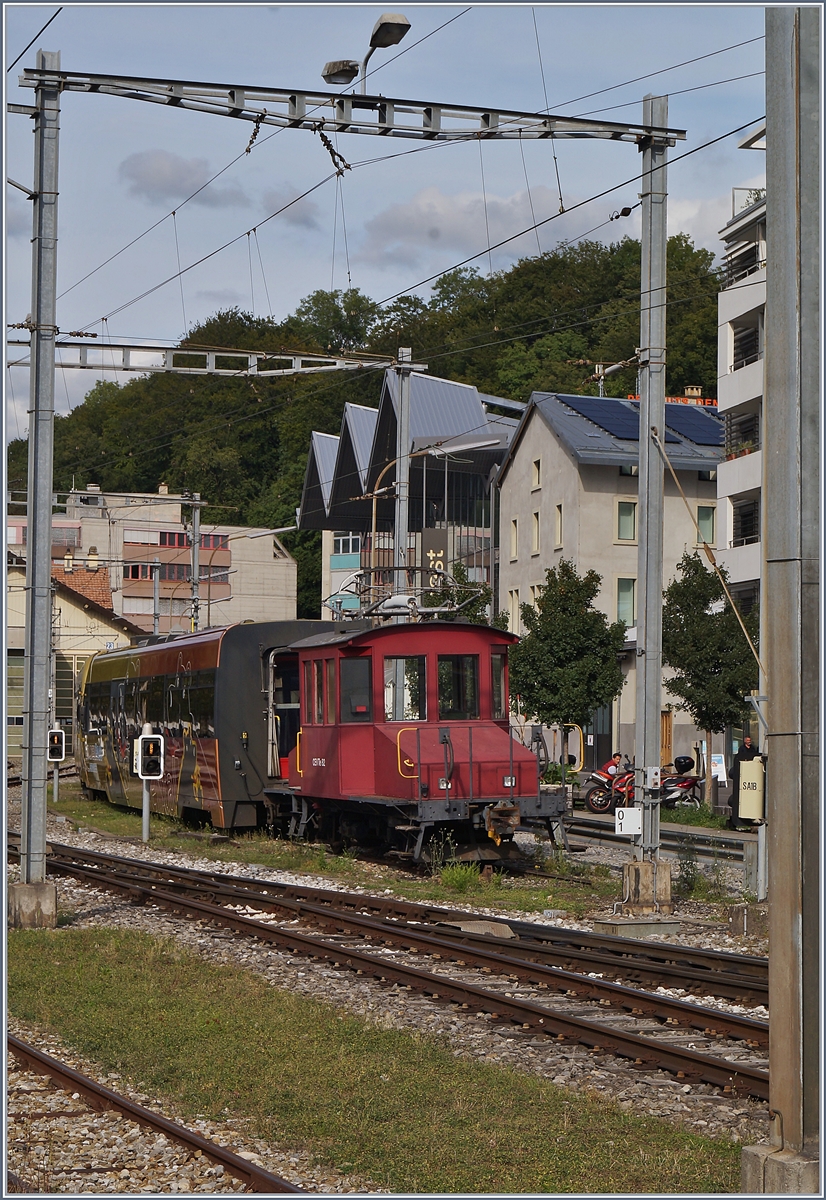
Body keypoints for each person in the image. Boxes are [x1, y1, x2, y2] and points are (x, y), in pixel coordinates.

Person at [728, 735, 761, 830]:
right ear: (744, 741)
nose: (749, 742)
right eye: (748, 740)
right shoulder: (741, 749)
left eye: (750, 740)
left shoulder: (753, 748)